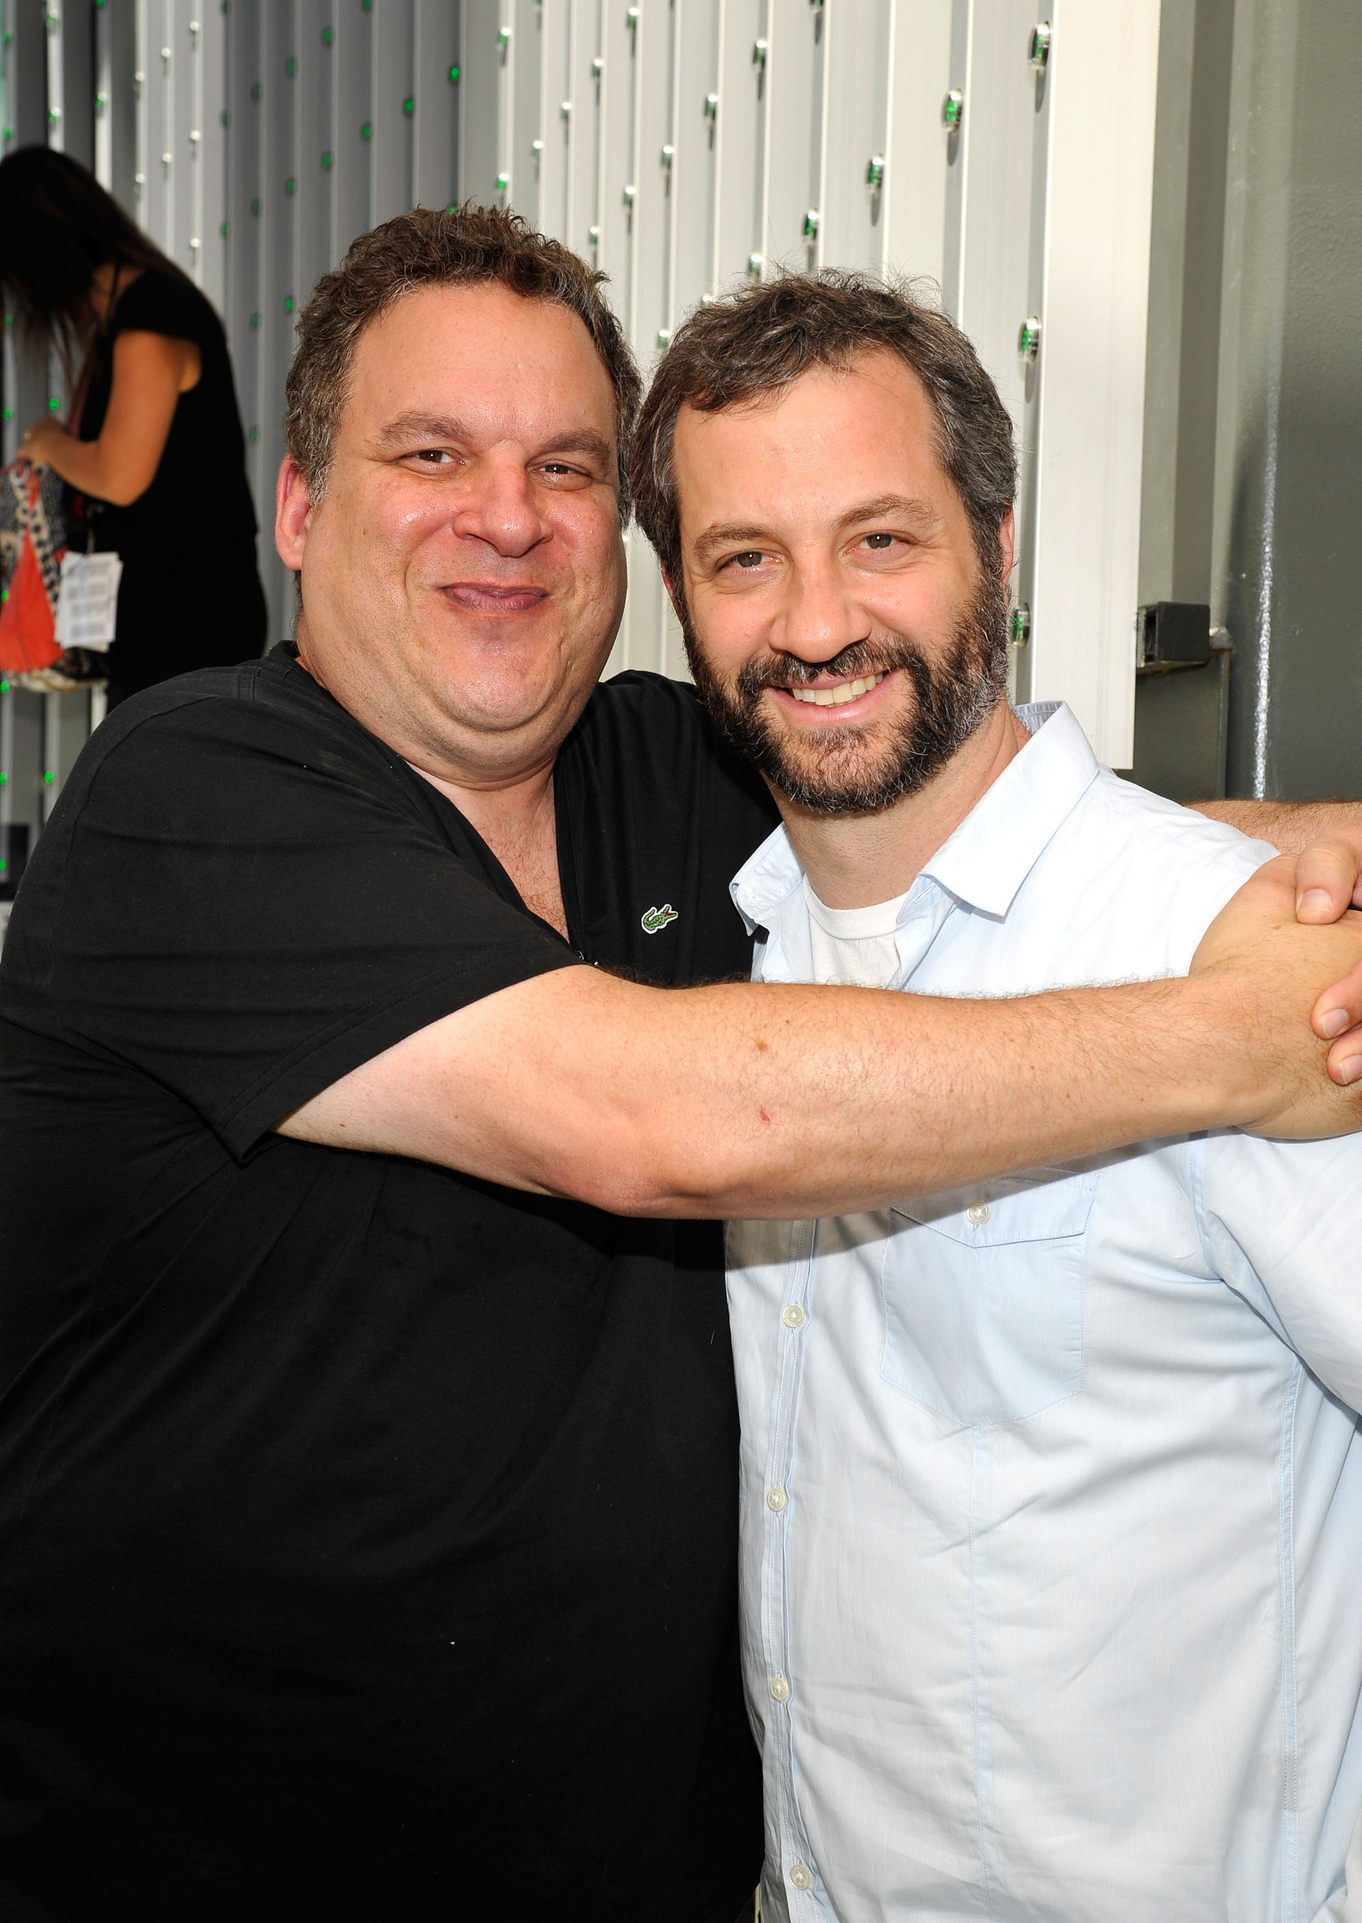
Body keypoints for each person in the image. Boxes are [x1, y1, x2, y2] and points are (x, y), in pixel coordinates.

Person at [0, 208, 1359, 1923]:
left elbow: (947, 794)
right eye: (432, 452)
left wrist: (1278, 863)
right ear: (297, 506)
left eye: (564, 465)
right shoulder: (190, 794)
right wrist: (1228, 1027)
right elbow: (653, 1116)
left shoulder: (677, 778)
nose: (505, 514)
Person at [629, 268, 1362, 1922]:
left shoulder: (1231, 959)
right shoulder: (738, 949)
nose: (813, 624)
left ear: (999, 546)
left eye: (878, 539)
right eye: (746, 559)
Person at [0, 146, 266, 707]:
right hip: (166, 615)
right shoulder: (129, 316)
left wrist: (51, 444)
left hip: (186, 620)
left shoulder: (150, 315)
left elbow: (120, 474)